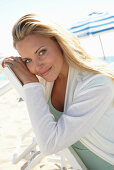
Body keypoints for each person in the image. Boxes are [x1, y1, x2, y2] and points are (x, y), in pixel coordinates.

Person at [2, 14, 114, 170]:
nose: (38, 67)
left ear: (60, 43)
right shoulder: (48, 80)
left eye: (41, 52)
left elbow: (49, 144)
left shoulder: (97, 84)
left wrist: (30, 83)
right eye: (27, 60)